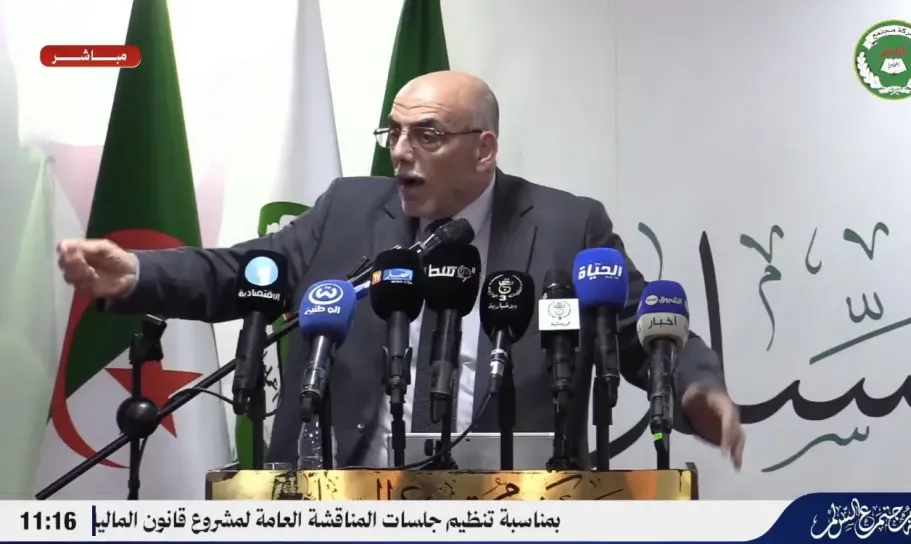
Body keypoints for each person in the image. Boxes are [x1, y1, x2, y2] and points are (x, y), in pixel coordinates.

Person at [57, 71, 744, 469]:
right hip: (333, 497)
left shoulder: (568, 225)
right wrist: (137, 274)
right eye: (394, 131)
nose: (401, 151)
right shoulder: (349, 211)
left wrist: (697, 389)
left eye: (427, 134)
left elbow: (643, 327)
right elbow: (243, 273)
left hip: (509, 502)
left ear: (484, 149)